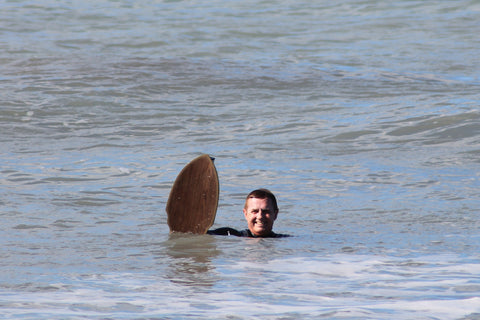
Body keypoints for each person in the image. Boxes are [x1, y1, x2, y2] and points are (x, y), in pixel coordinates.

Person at [207, 188, 288, 238]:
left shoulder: (284, 240)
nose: (260, 216)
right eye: (255, 211)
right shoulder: (232, 235)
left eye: (266, 211)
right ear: (245, 214)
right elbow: (202, 235)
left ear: (275, 214)